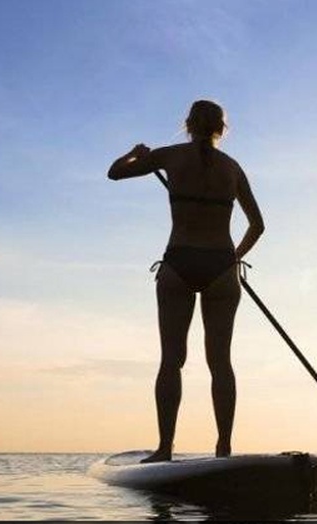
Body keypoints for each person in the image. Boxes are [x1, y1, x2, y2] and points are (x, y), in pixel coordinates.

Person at [107, 100, 265, 463]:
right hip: (221, 267)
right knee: (220, 362)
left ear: (188, 124)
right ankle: (223, 449)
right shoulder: (232, 168)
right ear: (221, 129)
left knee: (171, 360)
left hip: (179, 262)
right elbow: (258, 225)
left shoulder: (170, 156)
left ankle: (165, 449)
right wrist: (233, 259)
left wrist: (134, 154)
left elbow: (115, 172)